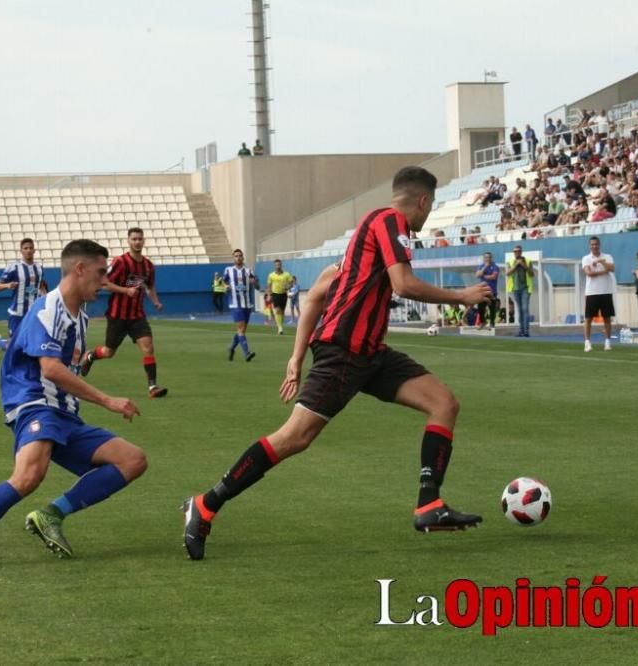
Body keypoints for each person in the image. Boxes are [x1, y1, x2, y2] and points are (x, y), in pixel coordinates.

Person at [180, 166, 492, 560]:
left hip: (370, 353)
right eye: (428, 210)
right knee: (295, 437)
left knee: (444, 403)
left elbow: (315, 296)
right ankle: (206, 504)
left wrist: (295, 358)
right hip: (344, 350)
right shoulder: (388, 222)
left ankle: (429, 505)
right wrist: (461, 296)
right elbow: (403, 284)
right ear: (423, 201)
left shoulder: (363, 244)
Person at [0, 240, 146, 571]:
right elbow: (50, 369)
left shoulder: (80, 318)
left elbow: (65, 363)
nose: (105, 281)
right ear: (79, 269)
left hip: (64, 412)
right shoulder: (49, 309)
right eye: (101, 272)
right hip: (35, 402)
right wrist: (108, 400)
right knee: (29, 474)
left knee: (132, 460)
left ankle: (51, 515)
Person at [79, 227, 168, 399]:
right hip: (117, 315)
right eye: (134, 239)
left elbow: (150, 287)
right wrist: (125, 291)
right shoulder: (120, 262)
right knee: (108, 352)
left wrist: (155, 301)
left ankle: (153, 387)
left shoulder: (149, 266)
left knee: (148, 347)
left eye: (140, 239)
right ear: (128, 241)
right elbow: (104, 283)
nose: (137, 242)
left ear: (144, 241)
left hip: (137, 315)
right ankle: (90, 356)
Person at [0, 238, 46, 355]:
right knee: (13, 346)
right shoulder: (14, 268)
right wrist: (7, 285)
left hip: (33, 314)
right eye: (26, 248)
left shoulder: (39, 269)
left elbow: (36, 287)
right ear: (21, 251)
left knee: (33, 344)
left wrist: (44, 295)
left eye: (31, 248)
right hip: (17, 313)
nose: (28, 250)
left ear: (34, 250)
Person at [581, 236, 616, 351]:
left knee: (607, 318)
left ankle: (607, 342)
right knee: (588, 318)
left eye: (596, 244)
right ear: (589, 246)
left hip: (606, 291)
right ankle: (587, 342)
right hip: (592, 292)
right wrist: (603, 271)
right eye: (592, 244)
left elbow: (612, 268)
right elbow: (589, 273)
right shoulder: (586, 258)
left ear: (599, 245)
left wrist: (602, 262)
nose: (594, 246)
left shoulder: (607, 257)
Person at [224, 249, 259, 361]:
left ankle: (231, 348)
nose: (238, 258)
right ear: (233, 258)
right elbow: (223, 282)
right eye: (236, 256)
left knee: (242, 330)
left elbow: (257, 286)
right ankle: (247, 353)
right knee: (241, 329)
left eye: (240, 256)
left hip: (247, 305)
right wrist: (226, 287)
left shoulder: (249, 271)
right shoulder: (229, 270)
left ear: (243, 257)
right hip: (235, 304)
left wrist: (255, 283)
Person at [505, 245, 534, 337]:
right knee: (520, 309)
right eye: (515, 251)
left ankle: (526, 331)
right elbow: (507, 273)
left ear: (521, 252)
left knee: (525, 308)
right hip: (515, 288)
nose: (516, 253)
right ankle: (521, 330)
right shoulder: (510, 261)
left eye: (518, 251)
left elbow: (532, 274)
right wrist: (516, 265)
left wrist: (523, 265)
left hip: (525, 288)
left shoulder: (528, 261)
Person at [266, 259, 294, 335]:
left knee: (282, 311)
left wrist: (288, 287)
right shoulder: (271, 275)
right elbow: (269, 285)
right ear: (274, 266)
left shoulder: (286, 274)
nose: (278, 266)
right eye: (276, 265)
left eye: (279, 264)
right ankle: (280, 328)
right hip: (275, 294)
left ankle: (280, 326)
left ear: (281, 265)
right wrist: (269, 295)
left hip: (283, 294)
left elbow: (291, 283)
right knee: (277, 310)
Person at [474, 251, 500, 329]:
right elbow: (477, 275)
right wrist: (485, 267)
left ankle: (492, 323)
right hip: (483, 291)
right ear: (484, 258)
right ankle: (483, 322)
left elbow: (494, 277)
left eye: (489, 257)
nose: (487, 259)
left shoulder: (495, 266)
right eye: (486, 257)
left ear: (491, 258)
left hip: (492, 291)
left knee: (492, 308)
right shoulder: (481, 266)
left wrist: (484, 276)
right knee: (480, 307)